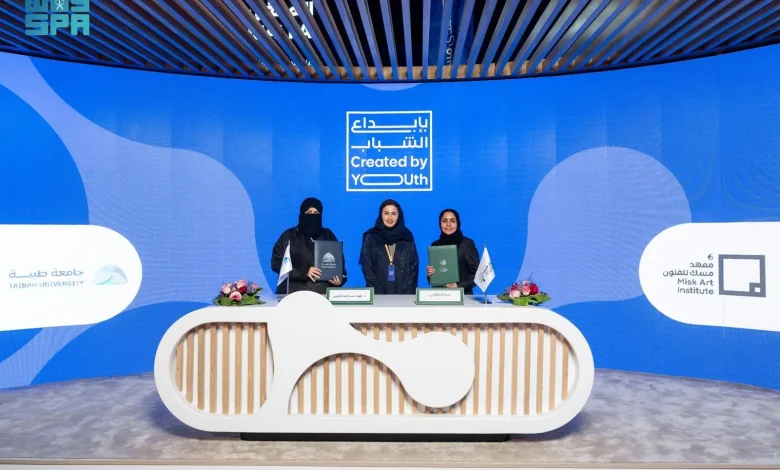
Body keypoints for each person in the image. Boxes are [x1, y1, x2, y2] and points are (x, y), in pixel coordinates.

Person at [271, 197, 346, 295]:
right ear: (302, 214)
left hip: (322, 296)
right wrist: (304, 272)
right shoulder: (289, 236)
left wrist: (339, 280)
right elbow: (276, 264)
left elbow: (340, 266)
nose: (312, 216)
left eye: (316, 213)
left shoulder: (328, 235)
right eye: (309, 212)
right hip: (293, 295)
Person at [359, 199, 419, 295]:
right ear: (381, 215)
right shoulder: (371, 237)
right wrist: (378, 294)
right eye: (386, 213)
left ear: (399, 216)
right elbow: (367, 268)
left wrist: (408, 294)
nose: (390, 217)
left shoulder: (407, 236)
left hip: (404, 297)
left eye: (394, 214)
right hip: (377, 296)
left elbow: (414, 268)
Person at [426, 209, 479, 294]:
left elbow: (478, 275)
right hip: (440, 295)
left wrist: (459, 285)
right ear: (440, 223)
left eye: (452, 221)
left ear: (458, 223)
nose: (448, 224)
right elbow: (433, 280)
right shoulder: (435, 245)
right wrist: (430, 274)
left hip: (463, 296)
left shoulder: (466, 244)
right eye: (444, 221)